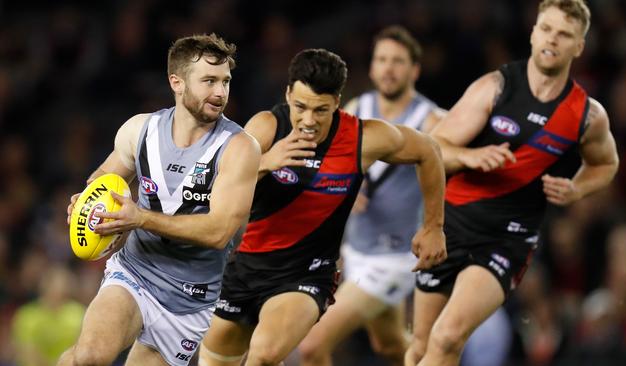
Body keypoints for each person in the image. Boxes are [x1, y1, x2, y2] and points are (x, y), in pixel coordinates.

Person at [199, 48, 446, 366]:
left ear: (337, 103)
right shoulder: (266, 127)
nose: (309, 120)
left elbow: (429, 150)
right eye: (300, 107)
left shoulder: (363, 138)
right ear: (288, 94)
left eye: (321, 110)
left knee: (264, 355)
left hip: (307, 274)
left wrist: (433, 226)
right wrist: (263, 164)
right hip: (247, 268)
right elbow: (213, 185)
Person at [405, 1, 619, 365]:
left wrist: (577, 188)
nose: (552, 39)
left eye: (564, 34)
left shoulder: (587, 115)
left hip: (507, 240)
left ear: (578, 47)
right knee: (422, 344)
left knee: (448, 335)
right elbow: (431, 149)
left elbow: (606, 163)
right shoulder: (495, 87)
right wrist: (470, 156)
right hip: (450, 227)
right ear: (534, 33)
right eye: (547, 29)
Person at [57, 33, 261, 366]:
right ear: (177, 82)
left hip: (190, 302)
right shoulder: (140, 130)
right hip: (135, 273)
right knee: (90, 356)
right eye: (209, 81)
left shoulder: (239, 148)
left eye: (225, 81)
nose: (220, 92)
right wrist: (86, 205)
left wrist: (140, 218)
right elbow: (104, 181)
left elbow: (219, 232)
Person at [298, 26, 445, 366]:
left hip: (394, 257)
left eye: (397, 61)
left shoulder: (433, 119)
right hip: (356, 249)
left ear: (414, 70)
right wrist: (351, 181)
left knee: (311, 347)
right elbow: (328, 162)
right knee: (391, 347)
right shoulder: (357, 107)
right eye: (381, 59)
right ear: (372, 66)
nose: (388, 68)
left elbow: (450, 164)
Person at [11, 265, 85, 366]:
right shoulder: (27, 316)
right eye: (56, 288)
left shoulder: (78, 313)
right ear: (45, 288)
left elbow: (81, 349)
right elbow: (27, 352)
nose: (60, 294)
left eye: (64, 290)